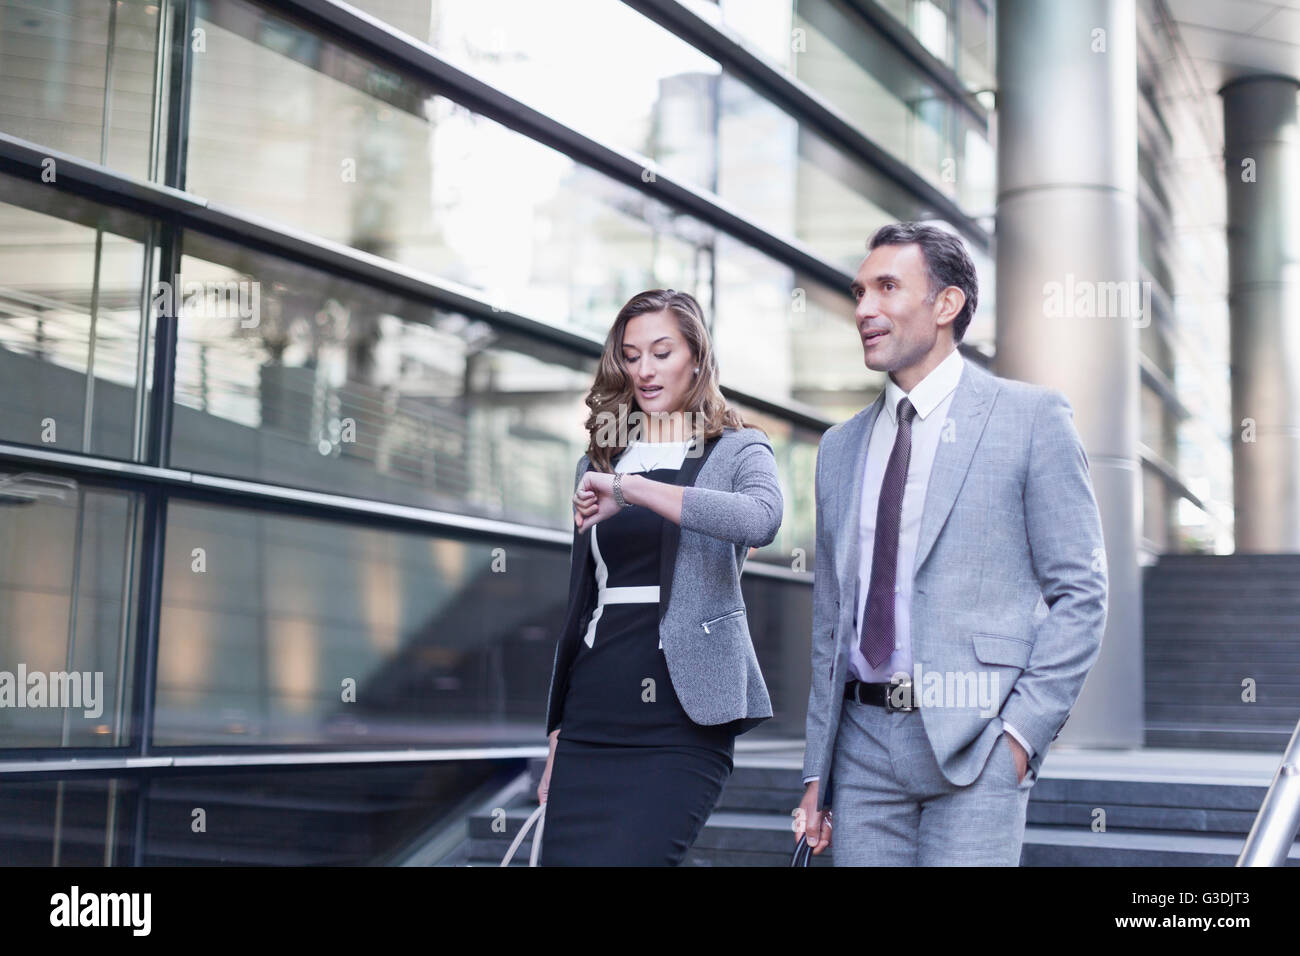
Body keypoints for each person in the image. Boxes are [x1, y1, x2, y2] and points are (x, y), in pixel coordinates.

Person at [795, 222, 1108, 866]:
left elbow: (1081, 594)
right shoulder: (838, 447)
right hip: (859, 752)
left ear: (947, 304)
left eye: (886, 287)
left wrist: (1019, 737)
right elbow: (832, 622)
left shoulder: (1030, 419)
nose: (864, 310)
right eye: (859, 293)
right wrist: (815, 770)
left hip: (976, 744)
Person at [538, 288, 783, 866]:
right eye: (630, 355)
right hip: (594, 713)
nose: (643, 370)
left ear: (697, 356)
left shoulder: (739, 449)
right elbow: (584, 602)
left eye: (661, 352)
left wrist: (635, 490)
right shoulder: (598, 460)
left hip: (681, 718)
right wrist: (557, 734)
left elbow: (761, 519)